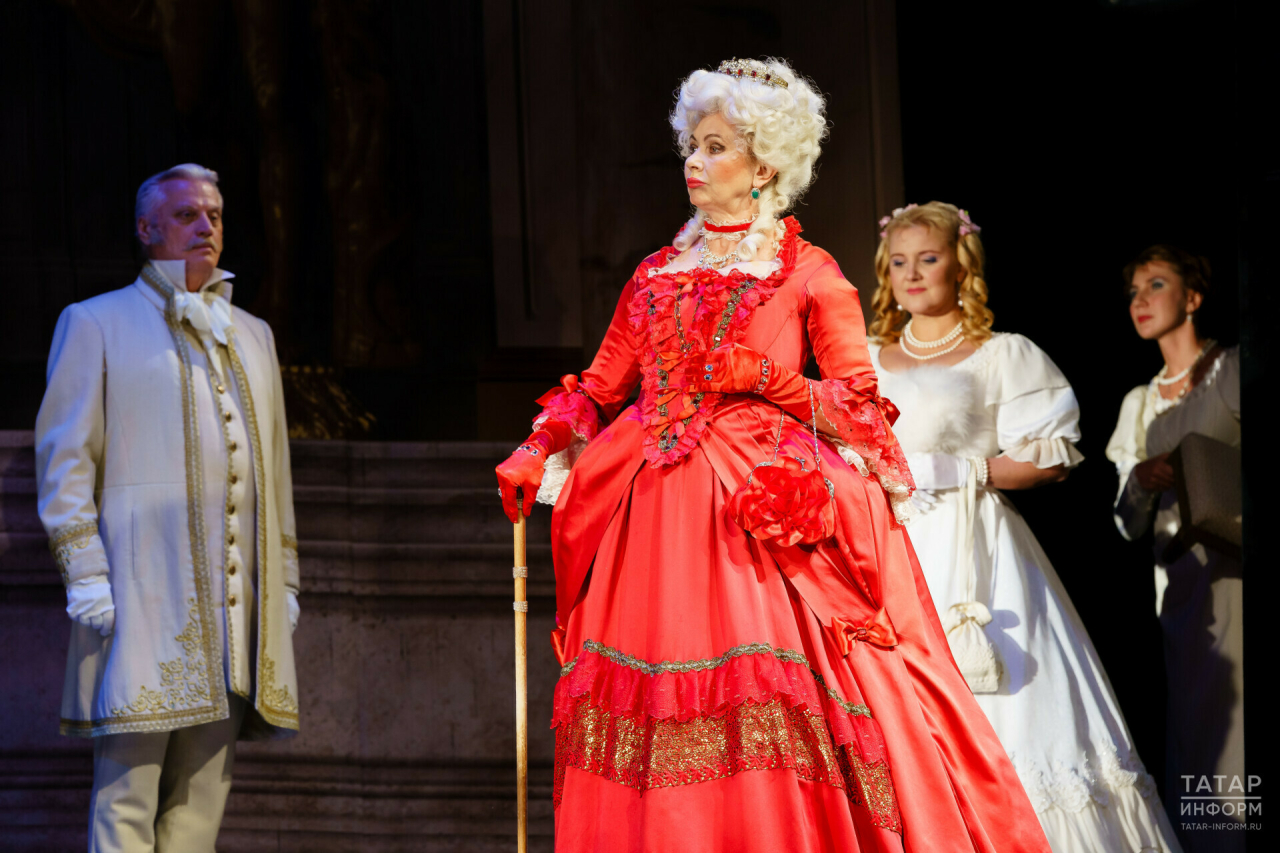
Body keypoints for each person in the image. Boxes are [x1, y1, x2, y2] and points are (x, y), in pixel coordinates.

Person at [495, 58, 1050, 853]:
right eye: (692, 145)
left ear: (764, 167)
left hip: (752, 515)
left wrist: (767, 379)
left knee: (765, 697)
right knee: (645, 711)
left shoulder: (808, 273)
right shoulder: (654, 274)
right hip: (648, 520)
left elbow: (861, 408)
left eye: (715, 146)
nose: (694, 161)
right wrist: (536, 445)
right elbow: (599, 387)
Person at [866, 202, 1180, 852]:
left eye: (928, 259)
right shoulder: (868, 359)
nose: (912, 274)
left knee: (1005, 700)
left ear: (961, 266)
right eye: (899, 262)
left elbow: (1051, 458)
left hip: (978, 547)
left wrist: (962, 468)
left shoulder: (1000, 354)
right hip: (891, 548)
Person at [35, 163, 301, 852]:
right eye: (187, 214)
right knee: (126, 796)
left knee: (200, 805)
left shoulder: (254, 334)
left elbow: (274, 471)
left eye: (214, 214)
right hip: (141, 595)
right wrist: (85, 571)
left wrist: (284, 583)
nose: (205, 225)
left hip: (235, 614)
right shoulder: (95, 322)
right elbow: (65, 460)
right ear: (146, 228)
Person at [1105, 245, 1241, 853]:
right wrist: (1141, 478)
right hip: (1183, 590)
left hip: (1235, 574)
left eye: (1156, 285)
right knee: (1194, 727)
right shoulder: (1140, 403)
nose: (1140, 300)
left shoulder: (1229, 371)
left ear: (1193, 297)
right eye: (1134, 290)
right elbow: (1127, 523)